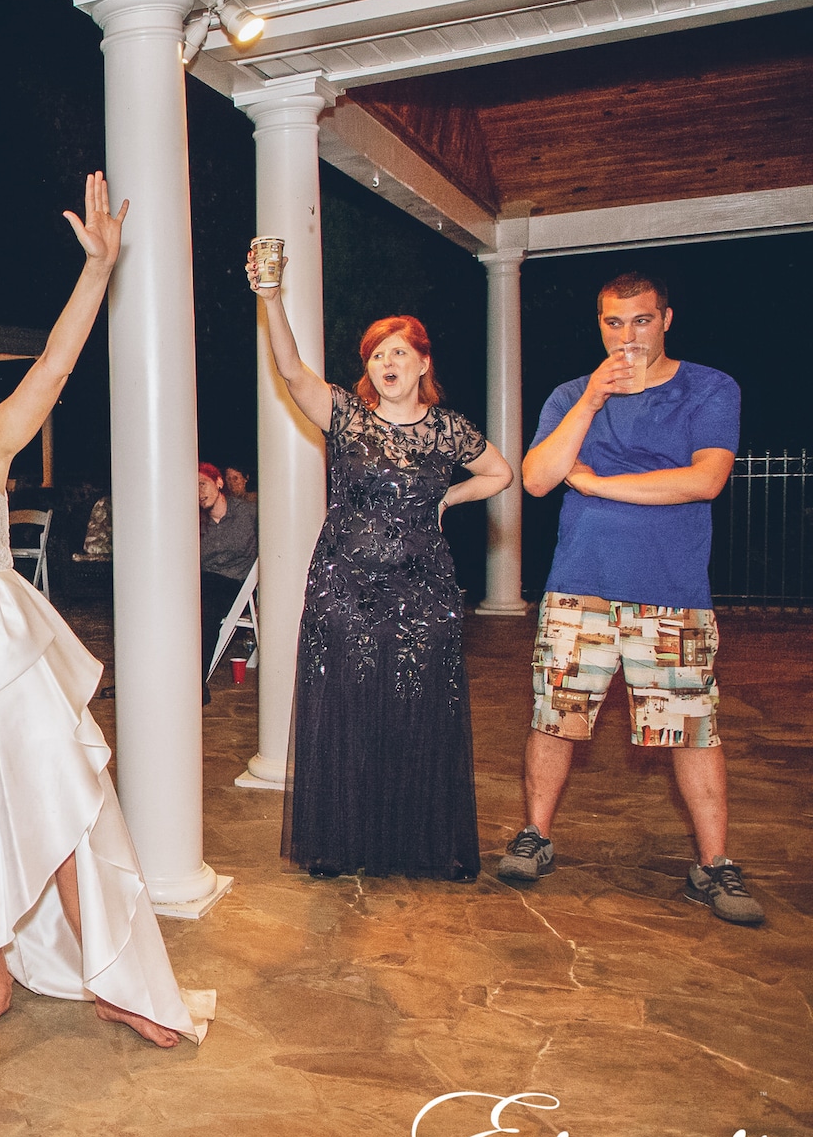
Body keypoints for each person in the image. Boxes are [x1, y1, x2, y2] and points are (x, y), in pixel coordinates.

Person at [0, 174, 209, 1047]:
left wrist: (97, 270)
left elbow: (58, 360)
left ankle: (113, 976)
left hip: (6, 649)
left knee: (60, 806)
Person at [499, 273, 756, 924]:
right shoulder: (570, 395)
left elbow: (706, 479)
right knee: (555, 717)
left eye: (640, 321)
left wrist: (600, 484)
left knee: (691, 729)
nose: (627, 336)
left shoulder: (709, 387)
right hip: (577, 588)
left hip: (670, 596)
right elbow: (535, 478)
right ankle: (536, 835)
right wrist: (589, 401)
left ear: (665, 318)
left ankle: (715, 864)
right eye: (614, 323)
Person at [251, 251, 513, 880]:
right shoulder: (345, 417)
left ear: (423, 362)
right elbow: (290, 370)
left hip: (423, 589)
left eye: (398, 352)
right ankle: (346, 842)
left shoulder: (447, 429)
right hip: (346, 586)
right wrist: (270, 295)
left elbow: (500, 473)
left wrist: (449, 495)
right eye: (376, 354)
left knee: (418, 709)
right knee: (351, 707)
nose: (387, 363)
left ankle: (417, 843)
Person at [198, 460, 257, 684]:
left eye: (203, 483)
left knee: (205, 610)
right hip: (203, 581)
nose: (199, 492)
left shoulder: (248, 513)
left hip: (234, 583)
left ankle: (196, 684)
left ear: (219, 482)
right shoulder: (194, 521)